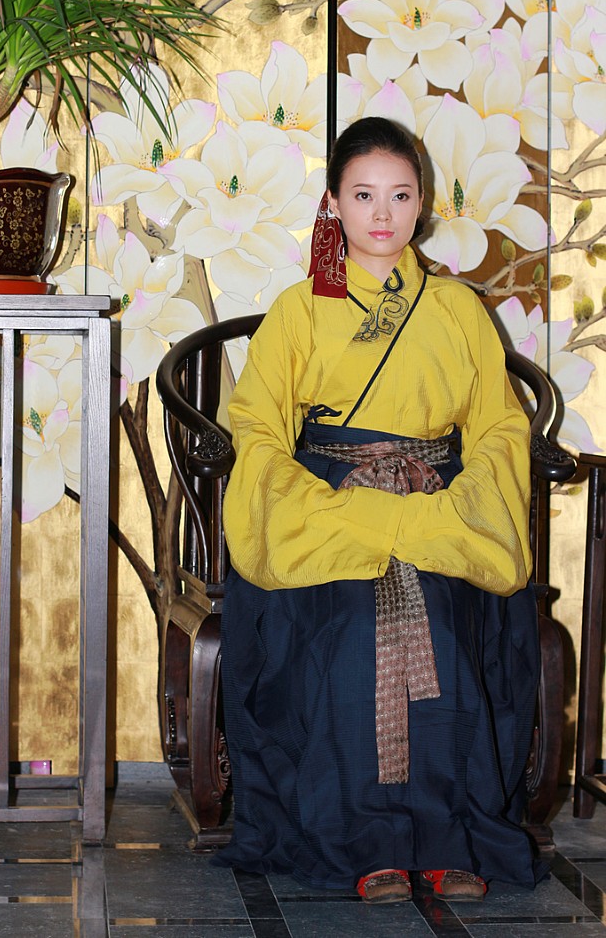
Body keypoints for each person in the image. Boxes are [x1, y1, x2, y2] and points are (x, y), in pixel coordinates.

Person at [214, 116, 540, 904]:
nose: (382, 214)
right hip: (330, 508)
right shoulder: (299, 308)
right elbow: (258, 428)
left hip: (439, 505)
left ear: (422, 203)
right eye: (363, 195)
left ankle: (449, 836)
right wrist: (320, 501)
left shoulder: (457, 308)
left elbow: (498, 427)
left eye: (399, 195)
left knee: (443, 624)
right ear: (333, 202)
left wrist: (461, 503)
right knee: (357, 631)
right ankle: (363, 840)